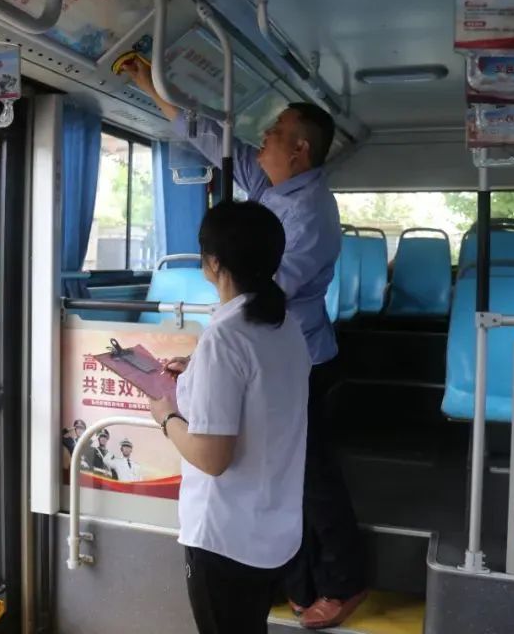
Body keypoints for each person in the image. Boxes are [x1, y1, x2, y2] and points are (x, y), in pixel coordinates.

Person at [126, 59, 366, 628]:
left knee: (310, 477)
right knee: (280, 469)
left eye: (275, 132)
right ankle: (289, 579)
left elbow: (262, 295)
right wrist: (153, 87)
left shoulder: (307, 215)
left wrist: (182, 393)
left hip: (304, 361)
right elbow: (216, 140)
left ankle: (343, 581)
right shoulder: (277, 189)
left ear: (300, 149)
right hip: (275, 353)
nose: (263, 139)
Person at [147, 201, 312, 634]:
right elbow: (260, 390)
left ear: (215, 262)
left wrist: (166, 416)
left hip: (225, 537)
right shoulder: (286, 326)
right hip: (272, 528)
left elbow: (212, 457)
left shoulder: (225, 337)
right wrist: (197, 370)